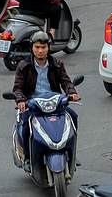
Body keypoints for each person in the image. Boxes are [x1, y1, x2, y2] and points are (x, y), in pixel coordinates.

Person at [12, 31, 80, 167]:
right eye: (37, 47)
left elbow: (66, 81)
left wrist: (72, 92)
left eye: (43, 47)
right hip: (33, 104)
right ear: (32, 48)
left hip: (54, 102)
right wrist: (20, 100)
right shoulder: (23, 66)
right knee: (26, 125)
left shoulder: (57, 64)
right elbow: (17, 88)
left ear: (48, 47)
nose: (40, 51)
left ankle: (71, 152)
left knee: (73, 117)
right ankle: (27, 157)